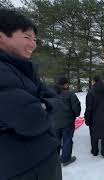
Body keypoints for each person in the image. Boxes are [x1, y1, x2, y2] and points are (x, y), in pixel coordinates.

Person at [0, 8, 63, 180]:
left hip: (41, 161)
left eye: (35, 39)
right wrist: (45, 105)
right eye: (27, 37)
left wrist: (44, 105)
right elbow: (31, 118)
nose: (33, 44)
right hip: (22, 169)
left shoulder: (24, 70)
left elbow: (56, 100)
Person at [52, 77, 81, 166]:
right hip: (67, 123)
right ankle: (65, 159)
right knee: (67, 141)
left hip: (53, 123)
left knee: (55, 141)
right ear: (65, 84)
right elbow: (76, 109)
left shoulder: (50, 94)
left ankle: (54, 160)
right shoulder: (70, 94)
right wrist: (75, 115)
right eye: (67, 84)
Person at [84, 75, 104, 158]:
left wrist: (87, 119)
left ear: (94, 81)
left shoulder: (91, 92)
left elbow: (89, 108)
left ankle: (94, 151)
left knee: (94, 135)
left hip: (95, 118)